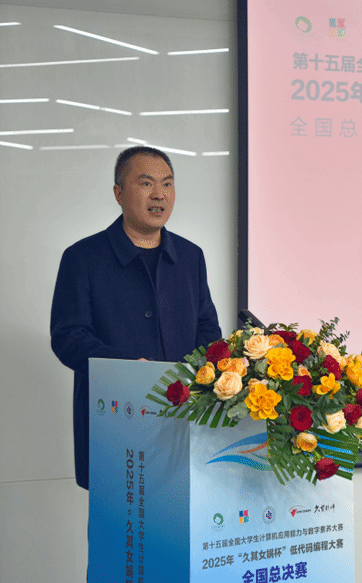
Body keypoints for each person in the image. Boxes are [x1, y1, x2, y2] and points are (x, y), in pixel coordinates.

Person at [50, 146, 221, 490]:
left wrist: (203, 375)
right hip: (115, 419)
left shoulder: (190, 257)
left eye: (167, 184)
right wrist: (129, 368)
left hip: (184, 421)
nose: (159, 194)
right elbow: (68, 337)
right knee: (122, 518)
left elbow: (207, 329)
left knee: (178, 517)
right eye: (146, 183)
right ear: (118, 193)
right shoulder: (83, 258)